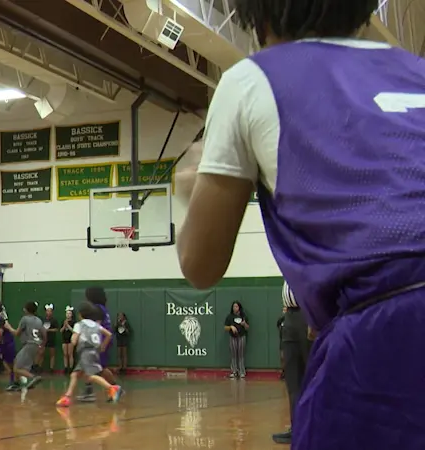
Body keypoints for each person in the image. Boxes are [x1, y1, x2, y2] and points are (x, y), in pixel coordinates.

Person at [174, 0, 425, 447]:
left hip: (386, 336)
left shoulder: (253, 79)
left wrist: (193, 191)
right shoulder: (414, 69)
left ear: (256, 15)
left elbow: (200, 265)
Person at [55, 301, 121, 407]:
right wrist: (103, 346)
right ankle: (67, 397)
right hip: (94, 352)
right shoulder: (96, 325)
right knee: (75, 374)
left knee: (90, 376)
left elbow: (74, 340)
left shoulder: (79, 325)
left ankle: (112, 388)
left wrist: (73, 340)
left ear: (80, 314)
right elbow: (108, 334)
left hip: (86, 352)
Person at [273, 283, 311, 445]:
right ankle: (297, 428)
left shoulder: (310, 260)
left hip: (307, 314)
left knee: (312, 375)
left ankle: (314, 427)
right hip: (289, 315)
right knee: (292, 378)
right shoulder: (288, 262)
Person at [79, 287, 118, 402]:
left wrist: (102, 344)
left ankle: (91, 391)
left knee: (93, 367)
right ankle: (114, 388)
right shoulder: (102, 308)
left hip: (100, 340)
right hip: (103, 339)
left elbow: (96, 327)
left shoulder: (96, 309)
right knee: (99, 367)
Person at [5, 301, 44, 390]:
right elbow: (43, 334)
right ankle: (16, 383)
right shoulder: (38, 320)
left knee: (17, 368)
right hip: (36, 345)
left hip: (29, 344)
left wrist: (8, 327)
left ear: (26, 309)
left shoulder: (25, 319)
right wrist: (42, 345)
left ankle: (33, 377)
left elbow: (17, 333)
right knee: (17, 362)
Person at [224, 301, 249, 379]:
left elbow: (248, 328)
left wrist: (244, 324)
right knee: (233, 355)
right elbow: (225, 327)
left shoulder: (244, 316)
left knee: (241, 354)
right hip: (233, 337)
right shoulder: (229, 317)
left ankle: (242, 371)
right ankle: (234, 371)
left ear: (239, 307)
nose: (235, 308)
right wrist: (231, 327)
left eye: (236, 306)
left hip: (241, 337)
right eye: (234, 306)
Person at [35, 304, 59, 374]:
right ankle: (39, 368)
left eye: (50, 311)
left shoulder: (54, 320)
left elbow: (56, 329)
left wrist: (49, 330)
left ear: (52, 312)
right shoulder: (43, 320)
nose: (49, 312)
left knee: (52, 354)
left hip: (51, 339)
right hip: (43, 339)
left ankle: (51, 369)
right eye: (47, 311)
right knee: (41, 353)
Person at [60, 306, 75, 375]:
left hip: (71, 339)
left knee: (70, 354)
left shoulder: (73, 322)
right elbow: (61, 331)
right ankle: (66, 367)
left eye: (69, 313)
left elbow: (74, 331)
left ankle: (71, 368)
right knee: (65, 354)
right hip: (64, 339)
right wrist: (64, 326)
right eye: (67, 313)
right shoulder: (63, 321)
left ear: (71, 314)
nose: (68, 315)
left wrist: (68, 326)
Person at [276, 306, 287, 380]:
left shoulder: (291, 320)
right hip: (283, 340)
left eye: (286, 309)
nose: (284, 311)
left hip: (290, 341)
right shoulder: (281, 320)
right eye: (283, 309)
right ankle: (283, 372)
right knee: (282, 357)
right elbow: (278, 325)